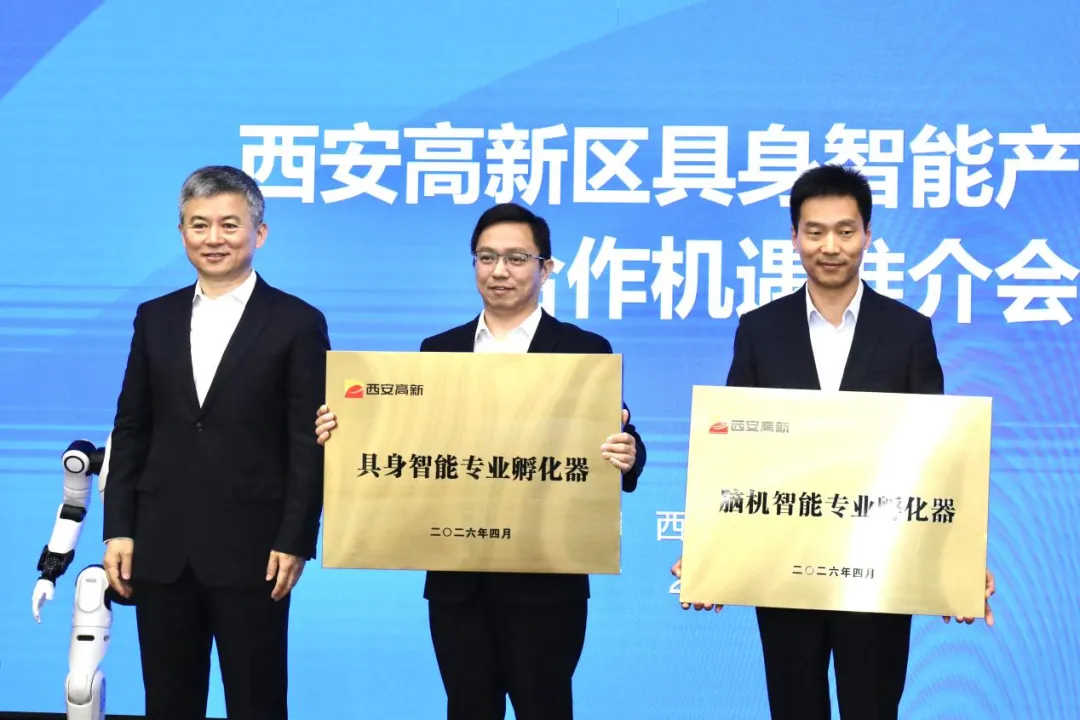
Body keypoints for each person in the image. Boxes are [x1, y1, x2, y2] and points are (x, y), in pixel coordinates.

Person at [670, 164, 996, 720]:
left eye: (845, 231)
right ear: (794, 237)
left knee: (873, 708)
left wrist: (956, 563)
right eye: (814, 231)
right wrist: (710, 553)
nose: (830, 246)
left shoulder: (908, 331)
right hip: (784, 566)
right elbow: (734, 451)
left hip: (880, 568)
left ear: (867, 234)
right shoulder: (760, 329)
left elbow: (937, 456)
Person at [314, 202, 646, 720]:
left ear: (546, 268)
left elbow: (619, 434)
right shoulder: (439, 349)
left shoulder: (583, 349)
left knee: (546, 708)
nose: (499, 271)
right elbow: (411, 446)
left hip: (548, 578)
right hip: (458, 582)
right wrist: (345, 432)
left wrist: (628, 453)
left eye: (516, 258)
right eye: (486, 257)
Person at [102, 165, 329, 720]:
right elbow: (131, 428)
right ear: (182, 232)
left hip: (255, 551)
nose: (213, 238)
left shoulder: (297, 322)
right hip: (161, 547)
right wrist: (119, 528)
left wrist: (296, 538)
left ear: (260, 232)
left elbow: (307, 442)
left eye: (230, 224)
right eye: (199, 224)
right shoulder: (154, 317)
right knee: (168, 701)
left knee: (257, 701)